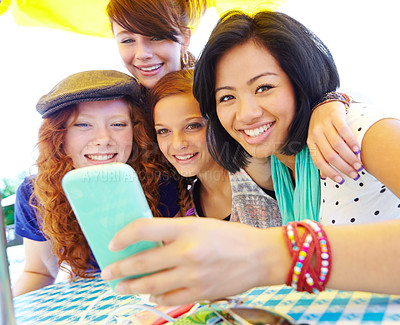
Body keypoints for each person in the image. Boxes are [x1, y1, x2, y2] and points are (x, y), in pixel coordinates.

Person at [100, 10, 400, 305]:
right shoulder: (281, 164)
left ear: (300, 80)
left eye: (264, 87)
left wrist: (270, 254)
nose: (246, 114)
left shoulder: (357, 130)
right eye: (227, 97)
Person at [105, 0, 362, 182]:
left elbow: (304, 86)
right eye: (127, 40)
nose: (142, 55)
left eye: (156, 37)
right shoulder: (125, 105)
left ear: (184, 36)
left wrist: (329, 100)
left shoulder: (215, 79)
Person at [12, 70, 180, 297]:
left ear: (135, 131)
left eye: (118, 124)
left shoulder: (159, 178)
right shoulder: (35, 192)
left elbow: (180, 256)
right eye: (83, 125)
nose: (104, 139)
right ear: (58, 136)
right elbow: (39, 272)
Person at [148, 68, 281, 227]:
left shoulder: (255, 167)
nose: (177, 144)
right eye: (164, 131)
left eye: (193, 126)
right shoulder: (188, 202)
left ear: (218, 121)